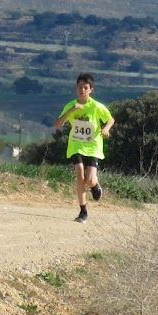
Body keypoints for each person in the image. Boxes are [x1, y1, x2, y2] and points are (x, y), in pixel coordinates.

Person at [53, 73, 114, 223]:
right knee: (79, 174)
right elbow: (58, 125)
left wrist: (106, 129)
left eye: (85, 87)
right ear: (76, 88)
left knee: (89, 180)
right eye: (79, 87)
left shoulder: (96, 106)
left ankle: (95, 185)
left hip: (93, 147)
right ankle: (83, 212)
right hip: (76, 145)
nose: (82, 90)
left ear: (91, 89)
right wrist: (71, 111)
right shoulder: (71, 105)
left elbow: (110, 119)